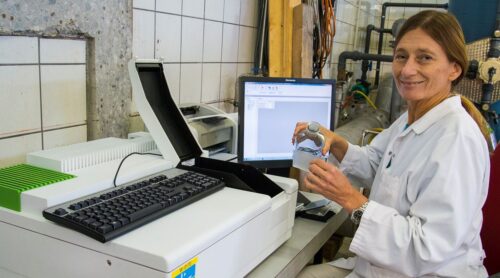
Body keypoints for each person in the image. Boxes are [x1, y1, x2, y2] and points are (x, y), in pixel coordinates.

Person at [294, 10, 492, 278]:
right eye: (401, 56)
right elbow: (380, 165)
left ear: (454, 68)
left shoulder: (457, 139)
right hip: (381, 265)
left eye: (424, 57)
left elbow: (426, 248)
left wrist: (350, 198)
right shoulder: (411, 119)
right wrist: (337, 142)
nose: (407, 69)